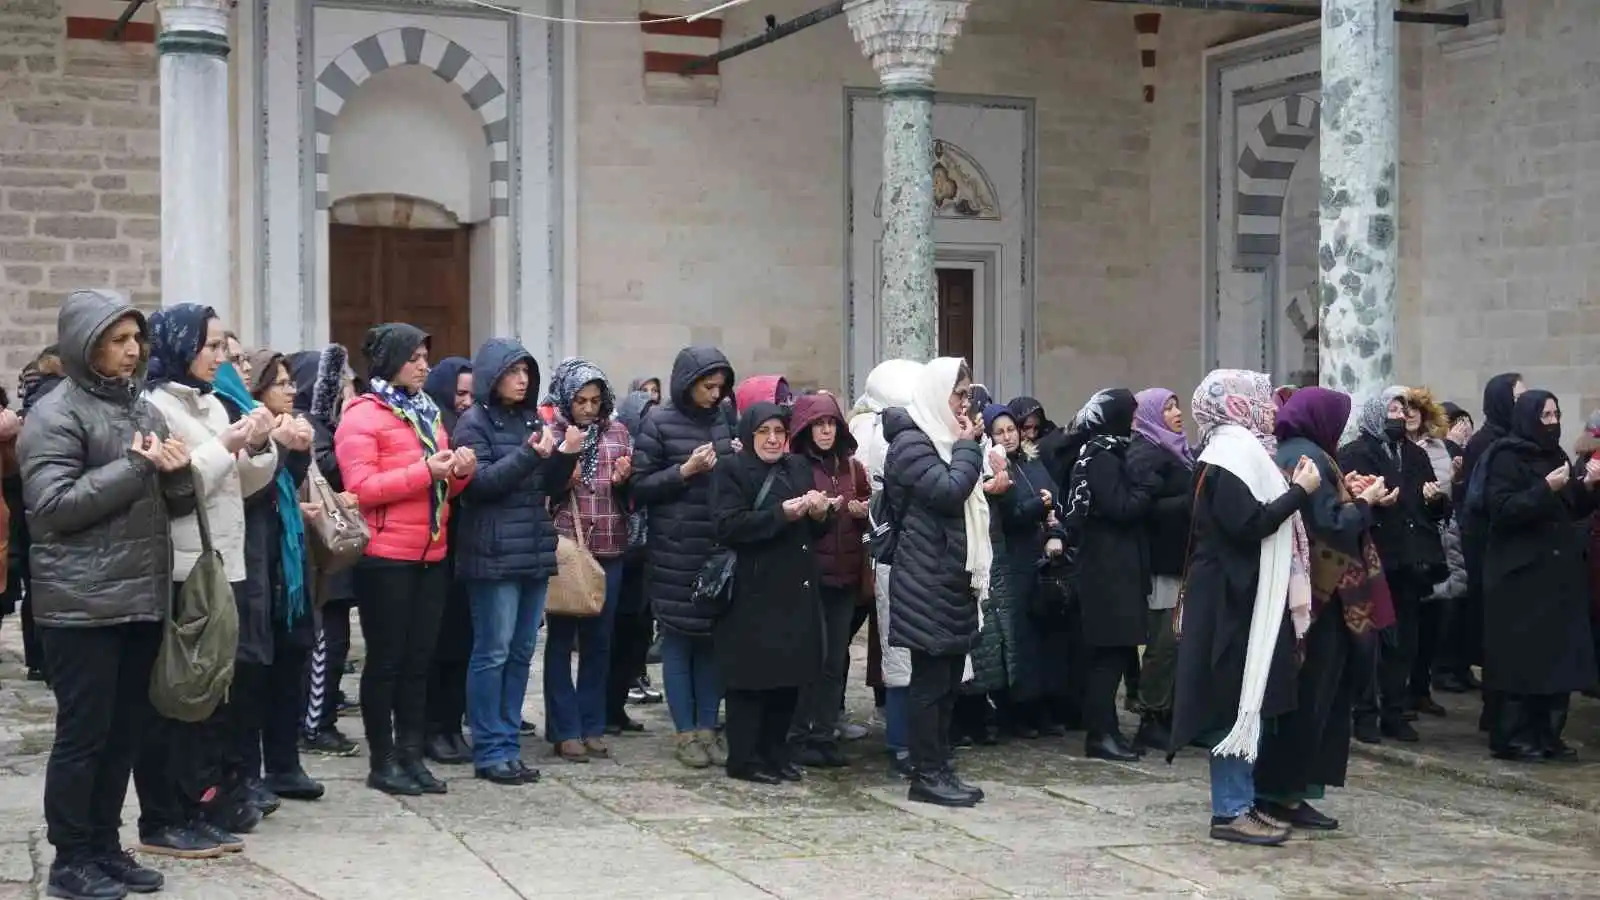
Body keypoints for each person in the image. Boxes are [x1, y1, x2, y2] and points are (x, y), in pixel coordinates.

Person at [21, 290, 194, 898]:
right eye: (117, 340)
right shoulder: (55, 414)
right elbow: (50, 508)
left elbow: (171, 504)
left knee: (124, 732)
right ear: (84, 344)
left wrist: (177, 476)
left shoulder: (142, 411)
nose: (131, 351)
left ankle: (104, 844)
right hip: (81, 605)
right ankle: (71, 860)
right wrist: (137, 468)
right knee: (83, 736)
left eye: (134, 340)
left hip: (138, 598)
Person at [142, 303, 282, 852]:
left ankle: (200, 801)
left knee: (216, 696)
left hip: (227, 561)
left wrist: (259, 443)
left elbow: (238, 483)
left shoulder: (210, 405)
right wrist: (224, 447)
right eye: (211, 346)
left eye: (223, 346)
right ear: (179, 345)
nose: (220, 356)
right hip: (185, 567)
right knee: (180, 694)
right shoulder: (155, 407)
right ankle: (167, 812)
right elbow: (177, 489)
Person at [1169, 369, 1317, 847]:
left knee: (1244, 699)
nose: (1269, 406)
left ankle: (1243, 802)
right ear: (1234, 403)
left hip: (1238, 593)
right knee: (1233, 701)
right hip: (1227, 599)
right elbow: (1247, 524)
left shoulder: (1239, 451)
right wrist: (1299, 493)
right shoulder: (1230, 455)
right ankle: (1230, 810)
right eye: (1257, 396)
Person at [336, 323, 477, 796]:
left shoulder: (425, 411)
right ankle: (383, 759)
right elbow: (359, 491)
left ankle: (412, 756)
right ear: (391, 361)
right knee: (388, 662)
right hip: (385, 557)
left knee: (420, 660)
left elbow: (442, 486)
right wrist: (424, 472)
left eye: (425, 357)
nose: (424, 366)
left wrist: (458, 473)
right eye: (415, 357)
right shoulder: (362, 415)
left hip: (431, 552)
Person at [1259, 387, 1395, 831]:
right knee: (1313, 697)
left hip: (1303, 594)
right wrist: (1365, 502)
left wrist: (1349, 493)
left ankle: (1286, 790)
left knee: (1307, 696)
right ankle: (1286, 795)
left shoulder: (1296, 451)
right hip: (1323, 595)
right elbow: (1333, 524)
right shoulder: (1311, 457)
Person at [451, 340, 581, 783]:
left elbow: (545, 485)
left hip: (531, 549)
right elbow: (479, 485)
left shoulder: (530, 419)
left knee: (523, 651)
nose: (523, 379)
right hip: (492, 553)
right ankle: (489, 748)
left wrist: (566, 455)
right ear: (493, 375)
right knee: (493, 651)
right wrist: (531, 454)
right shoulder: (473, 423)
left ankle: (509, 743)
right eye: (513, 371)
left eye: (527, 371)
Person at [216, 350, 324, 810]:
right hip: (255, 560)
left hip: (288, 562)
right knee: (253, 672)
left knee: (292, 661)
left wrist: (296, 452)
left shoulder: (284, 426)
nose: (290, 389)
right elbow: (249, 491)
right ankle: (248, 771)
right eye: (279, 383)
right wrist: (277, 448)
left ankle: (285, 762)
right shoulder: (245, 426)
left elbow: (288, 485)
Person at [881, 357, 988, 808]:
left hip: (950, 576)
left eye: (968, 395)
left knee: (947, 681)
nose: (965, 404)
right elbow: (947, 492)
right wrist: (969, 448)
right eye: (958, 394)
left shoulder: (943, 439)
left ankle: (940, 765)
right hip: (925, 577)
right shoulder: (911, 443)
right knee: (929, 682)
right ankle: (926, 774)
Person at [1475, 390, 1600, 760]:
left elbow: (1570, 507)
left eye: (1556, 414)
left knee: (1556, 660)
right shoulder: (1505, 458)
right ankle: (1513, 737)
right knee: (1522, 662)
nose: (1553, 421)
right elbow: (1503, 509)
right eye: (1545, 415)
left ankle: (1549, 735)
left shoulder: (1556, 455)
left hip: (1557, 576)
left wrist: (1588, 486)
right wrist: (1546, 488)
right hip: (1520, 577)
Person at [630, 347, 737, 769]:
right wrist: (684, 471)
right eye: (708, 387)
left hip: (716, 545)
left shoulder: (725, 419)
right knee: (678, 641)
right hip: (675, 550)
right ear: (687, 384)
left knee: (712, 641)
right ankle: (685, 731)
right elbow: (639, 486)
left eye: (720, 387)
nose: (715, 395)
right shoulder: (658, 421)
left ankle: (709, 727)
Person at [711, 402, 829, 783]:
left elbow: (815, 532)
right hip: (753, 591)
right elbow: (728, 525)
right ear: (749, 435)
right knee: (751, 681)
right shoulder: (731, 470)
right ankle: (745, 759)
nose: (774, 439)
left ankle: (776, 754)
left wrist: (820, 512)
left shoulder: (796, 467)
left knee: (789, 677)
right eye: (765, 432)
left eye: (779, 432)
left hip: (795, 587)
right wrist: (783, 515)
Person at [1339, 387, 1448, 744]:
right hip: (1373, 557)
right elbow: (1346, 504)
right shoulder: (1355, 453)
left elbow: (1430, 507)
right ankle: (1365, 713)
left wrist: (1436, 501)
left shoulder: (1415, 454)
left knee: (1405, 640)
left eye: (1403, 411)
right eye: (1392, 410)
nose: (1399, 417)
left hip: (1410, 559)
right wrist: (1374, 502)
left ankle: (1395, 711)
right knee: (1371, 642)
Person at [1059, 389, 1158, 762]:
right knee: (1109, 655)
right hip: (1107, 570)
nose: (1135, 425)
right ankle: (1101, 734)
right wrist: (1147, 488)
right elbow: (1119, 507)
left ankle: (1108, 731)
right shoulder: (1101, 457)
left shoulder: (1108, 453)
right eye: (1130, 417)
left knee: (1115, 652)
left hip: (1115, 567)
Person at [545, 358, 631, 762]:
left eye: (595, 400)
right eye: (580, 400)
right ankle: (565, 729)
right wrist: (566, 465)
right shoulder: (554, 433)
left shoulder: (619, 432)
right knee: (562, 640)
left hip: (610, 545)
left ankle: (592, 723)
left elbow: (633, 498)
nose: (588, 408)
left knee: (600, 641)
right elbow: (542, 489)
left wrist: (626, 478)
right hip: (567, 547)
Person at [786, 391, 871, 767]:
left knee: (835, 660)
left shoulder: (852, 468)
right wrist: (813, 511)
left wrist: (862, 510)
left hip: (845, 576)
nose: (825, 431)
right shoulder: (796, 468)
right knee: (808, 659)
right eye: (818, 424)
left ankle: (823, 733)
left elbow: (870, 508)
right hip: (809, 578)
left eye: (831, 424)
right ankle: (798, 734)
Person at [849, 359, 923, 778]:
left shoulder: (875, 431)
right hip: (899, 558)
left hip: (913, 560)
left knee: (909, 655)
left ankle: (915, 742)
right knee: (903, 656)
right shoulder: (876, 435)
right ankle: (903, 744)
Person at [291, 344, 363, 758]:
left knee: (334, 639)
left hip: (331, 548)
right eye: (342, 384)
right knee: (326, 642)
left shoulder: (327, 423)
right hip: (318, 548)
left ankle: (321, 712)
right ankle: (315, 724)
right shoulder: (308, 426)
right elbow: (326, 472)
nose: (349, 392)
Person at [982, 404, 1064, 738]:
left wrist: (1056, 528)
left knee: (1045, 639)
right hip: (1012, 561)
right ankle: (1016, 712)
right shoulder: (994, 468)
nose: (1008, 436)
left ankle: (1043, 708)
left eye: (1011, 430)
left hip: (1041, 558)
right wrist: (1039, 506)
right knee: (1018, 641)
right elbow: (1010, 514)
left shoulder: (1032, 460)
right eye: (999, 432)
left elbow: (1055, 499)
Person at [1125, 388, 1194, 752]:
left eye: (1176, 405)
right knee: (1163, 642)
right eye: (1167, 408)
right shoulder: (1145, 453)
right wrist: (1191, 501)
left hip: (1181, 560)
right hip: (1160, 563)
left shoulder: (1178, 451)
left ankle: (1168, 712)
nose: (1176, 413)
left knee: (1177, 640)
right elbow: (1143, 509)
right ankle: (1151, 715)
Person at [420, 357, 475, 765]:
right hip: (436, 545)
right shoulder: (432, 425)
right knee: (435, 643)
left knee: (462, 642)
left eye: (473, 393)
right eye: (460, 394)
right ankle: (430, 728)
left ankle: (452, 725)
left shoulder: (475, 427)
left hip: (471, 547)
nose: (467, 402)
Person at [608, 389, 659, 734]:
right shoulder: (620, 449)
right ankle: (605, 708)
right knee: (615, 635)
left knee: (637, 636)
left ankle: (616, 709)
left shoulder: (655, 451)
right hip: (618, 552)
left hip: (646, 555)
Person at [1405, 387, 1456, 717]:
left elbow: (1445, 494)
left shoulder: (1439, 449)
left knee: (1430, 623)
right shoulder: (1389, 448)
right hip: (1405, 542)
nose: (1409, 414)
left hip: (1435, 540)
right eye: (1403, 409)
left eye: (1414, 409)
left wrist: (1434, 496)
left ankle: (1421, 688)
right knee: (1405, 623)